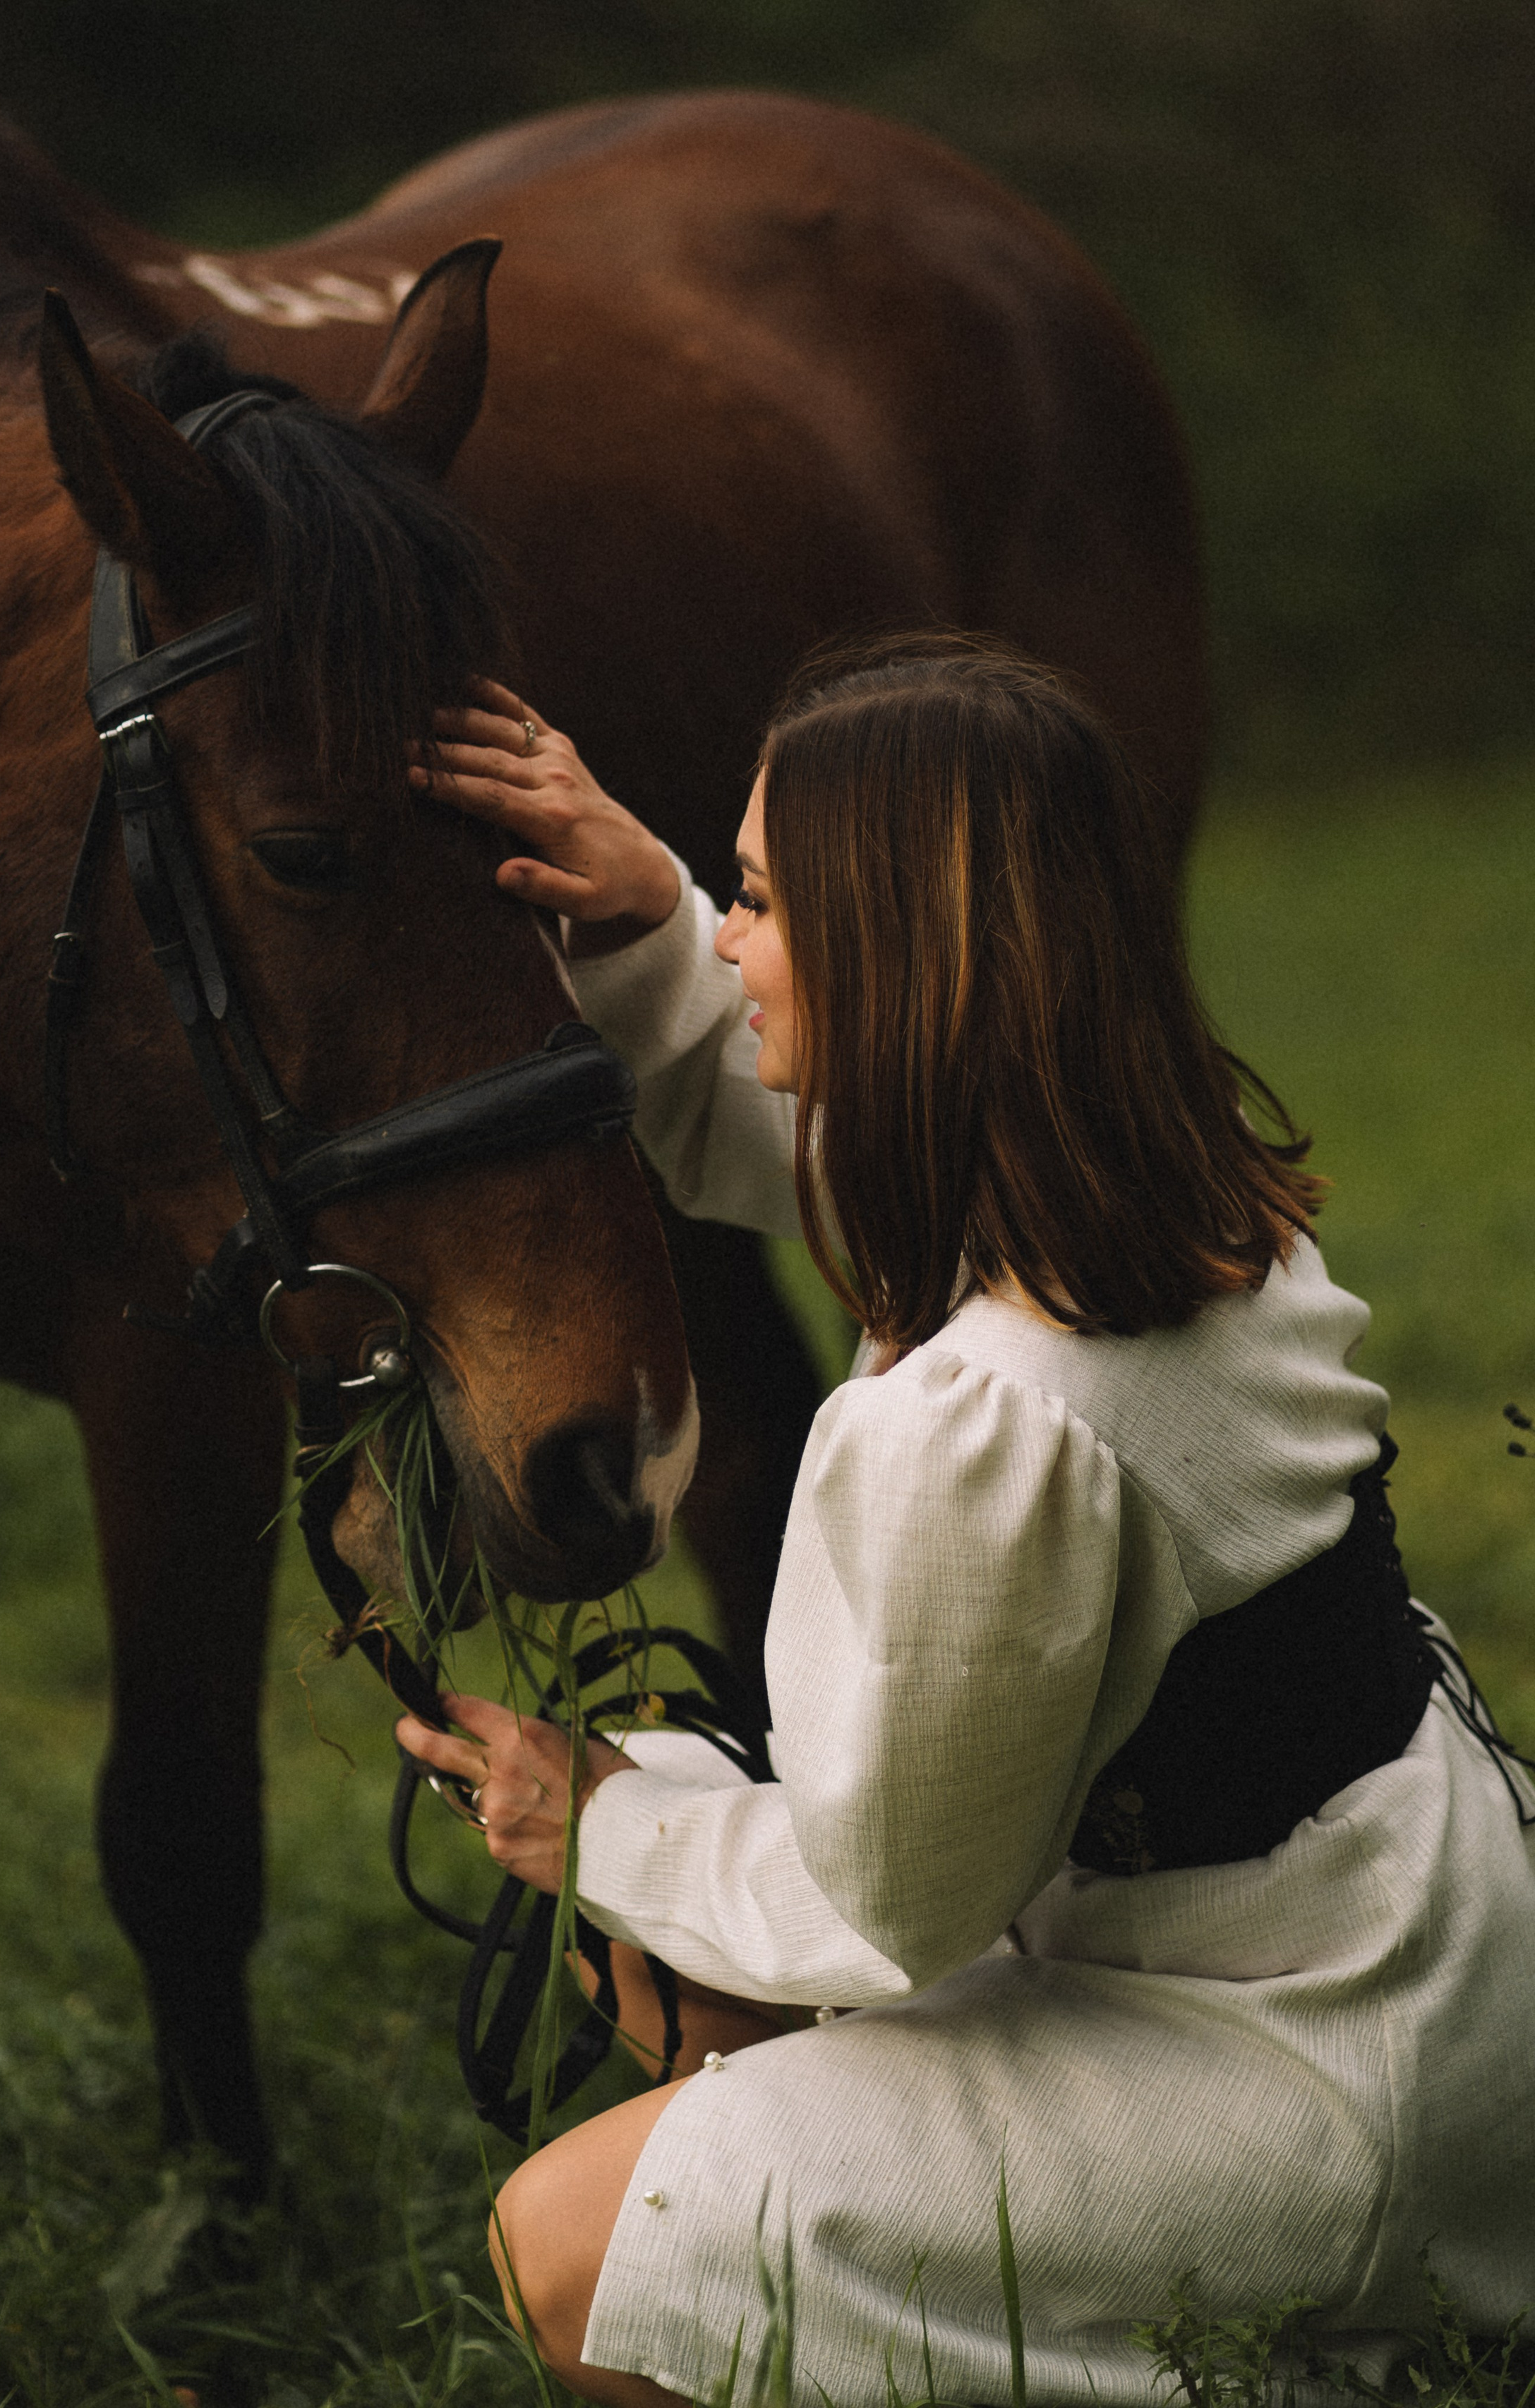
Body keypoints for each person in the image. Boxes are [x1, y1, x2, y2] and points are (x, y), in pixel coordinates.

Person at [397, 638, 1535, 2408]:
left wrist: (586, 1818)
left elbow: (891, 1908)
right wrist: (638, 916)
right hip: (1381, 1933)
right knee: (667, 1940)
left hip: (1313, 2055)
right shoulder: (1124, 1173)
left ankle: (1324, 2346)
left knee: (573, 2247)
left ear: (903, 957)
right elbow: (803, 1137)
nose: (728, 942)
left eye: (758, 902)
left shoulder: (998, 1414)